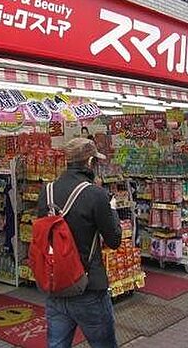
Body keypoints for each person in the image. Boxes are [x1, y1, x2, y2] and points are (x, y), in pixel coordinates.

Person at [37, 137, 122, 348]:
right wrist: (112, 209)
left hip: (56, 285)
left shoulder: (47, 192)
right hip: (88, 287)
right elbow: (114, 240)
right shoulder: (96, 194)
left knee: (57, 344)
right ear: (90, 162)